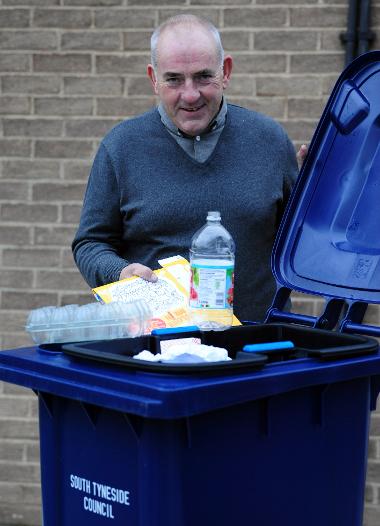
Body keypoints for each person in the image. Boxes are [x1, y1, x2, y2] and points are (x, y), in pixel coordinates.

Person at [72, 14, 306, 322]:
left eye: (203, 76)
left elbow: (301, 243)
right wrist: (119, 272)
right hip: (155, 348)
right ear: (153, 78)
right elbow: (90, 243)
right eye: (174, 79)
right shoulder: (121, 147)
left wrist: (317, 199)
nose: (191, 94)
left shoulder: (270, 140)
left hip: (258, 344)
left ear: (226, 71)